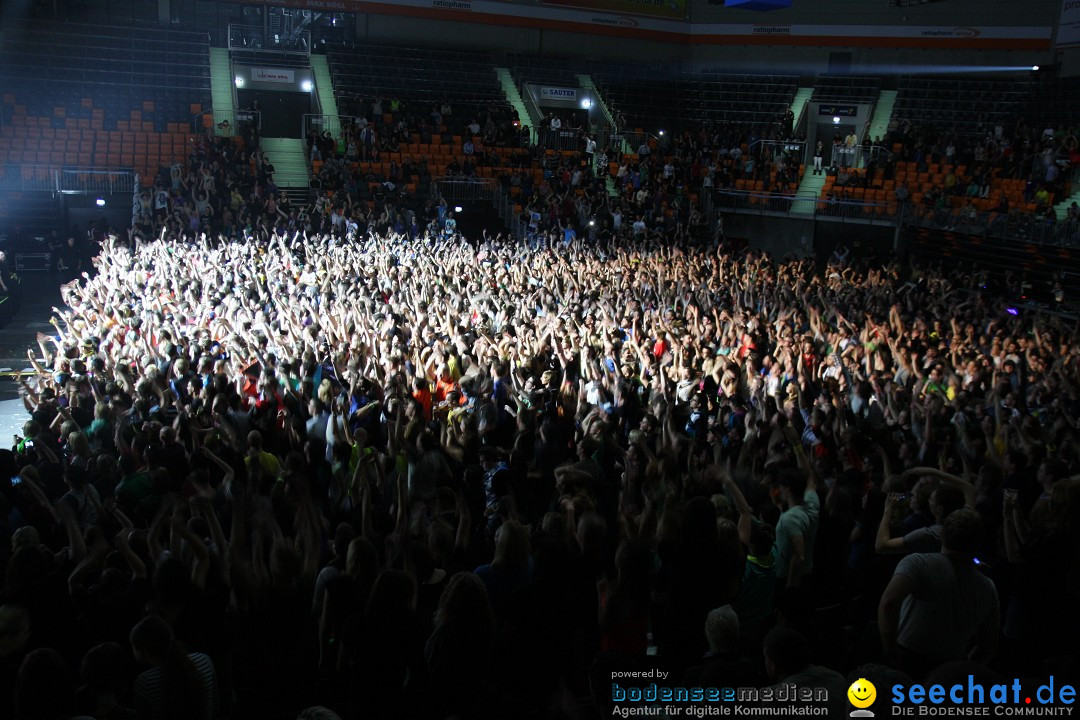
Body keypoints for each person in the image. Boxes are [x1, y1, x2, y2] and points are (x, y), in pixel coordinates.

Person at [878, 509, 999, 679]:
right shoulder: (988, 587)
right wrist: (961, 670)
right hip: (949, 669)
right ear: (978, 542)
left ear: (941, 533)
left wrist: (890, 652)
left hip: (906, 657)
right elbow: (988, 646)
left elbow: (889, 603)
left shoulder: (918, 563)